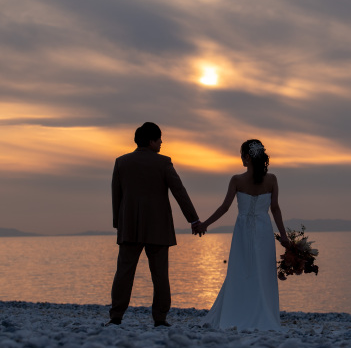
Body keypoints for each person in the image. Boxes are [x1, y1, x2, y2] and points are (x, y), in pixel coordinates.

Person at [109, 122, 201, 327]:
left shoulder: (121, 162)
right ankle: (160, 318)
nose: (162, 143)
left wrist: (118, 222)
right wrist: (193, 219)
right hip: (158, 227)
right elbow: (179, 192)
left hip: (129, 226)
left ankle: (116, 316)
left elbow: (117, 195)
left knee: (124, 272)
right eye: (159, 139)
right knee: (160, 274)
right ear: (151, 141)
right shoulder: (163, 163)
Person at [198, 139, 290, 330]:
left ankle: (237, 312)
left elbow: (224, 208)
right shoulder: (271, 179)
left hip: (243, 231)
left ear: (247, 157)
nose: (241, 159)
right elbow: (275, 209)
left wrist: (204, 224)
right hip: (264, 229)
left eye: (241, 155)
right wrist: (283, 236)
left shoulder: (237, 180)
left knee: (244, 269)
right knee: (260, 271)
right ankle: (262, 314)